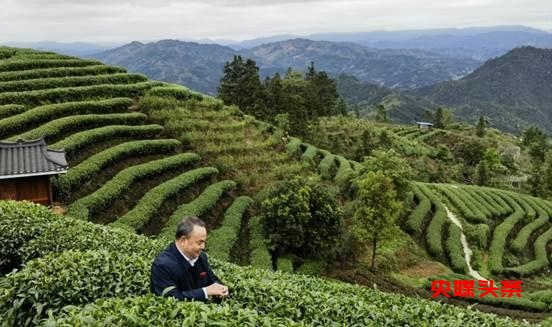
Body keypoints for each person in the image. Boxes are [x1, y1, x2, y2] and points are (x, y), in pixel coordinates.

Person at [150, 216, 229, 301]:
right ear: (184, 240)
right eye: (200, 242)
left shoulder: (201, 257)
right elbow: (170, 298)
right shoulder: (162, 266)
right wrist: (205, 292)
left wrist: (220, 288)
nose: (203, 247)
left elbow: (211, 279)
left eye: (204, 242)